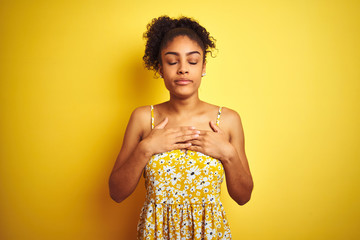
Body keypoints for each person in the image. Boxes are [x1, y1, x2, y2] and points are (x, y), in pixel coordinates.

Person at [109, 15, 253, 240]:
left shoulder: (227, 120)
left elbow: (243, 196)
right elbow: (116, 193)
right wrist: (146, 148)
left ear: (203, 66)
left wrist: (228, 154)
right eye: (173, 61)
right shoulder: (143, 118)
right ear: (160, 68)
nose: (183, 69)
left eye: (192, 61)